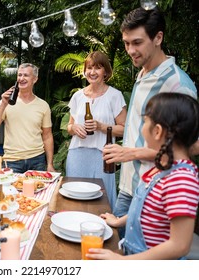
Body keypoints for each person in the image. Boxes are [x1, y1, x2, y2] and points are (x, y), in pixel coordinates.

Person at [102, 7, 198, 235]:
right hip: (130, 186)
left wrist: (132, 153)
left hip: (157, 194)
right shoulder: (143, 73)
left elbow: (191, 146)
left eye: (137, 42)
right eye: (126, 43)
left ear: (158, 38)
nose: (130, 50)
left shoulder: (177, 84)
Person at [88, 93, 199, 260]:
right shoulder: (163, 168)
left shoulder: (181, 179)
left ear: (157, 131)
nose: (141, 128)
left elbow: (180, 245)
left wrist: (123, 261)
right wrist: (119, 221)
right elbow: (147, 208)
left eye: (145, 121)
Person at [66, 51, 127, 209]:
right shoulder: (78, 96)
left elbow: (124, 129)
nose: (92, 72)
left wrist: (100, 127)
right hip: (77, 155)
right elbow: (69, 127)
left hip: (103, 157)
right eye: (89, 68)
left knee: (101, 201)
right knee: (74, 198)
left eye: (98, 68)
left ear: (105, 72)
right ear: (85, 71)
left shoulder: (115, 95)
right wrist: (74, 127)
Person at [0, 63, 55, 173]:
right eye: (19, 75)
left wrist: (50, 163)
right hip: (12, 160)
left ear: (35, 79)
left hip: (37, 160)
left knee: (37, 190)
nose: (21, 78)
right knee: (10, 190)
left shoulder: (43, 105)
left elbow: (47, 136)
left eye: (26, 75)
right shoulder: (6, 101)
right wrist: (4, 104)